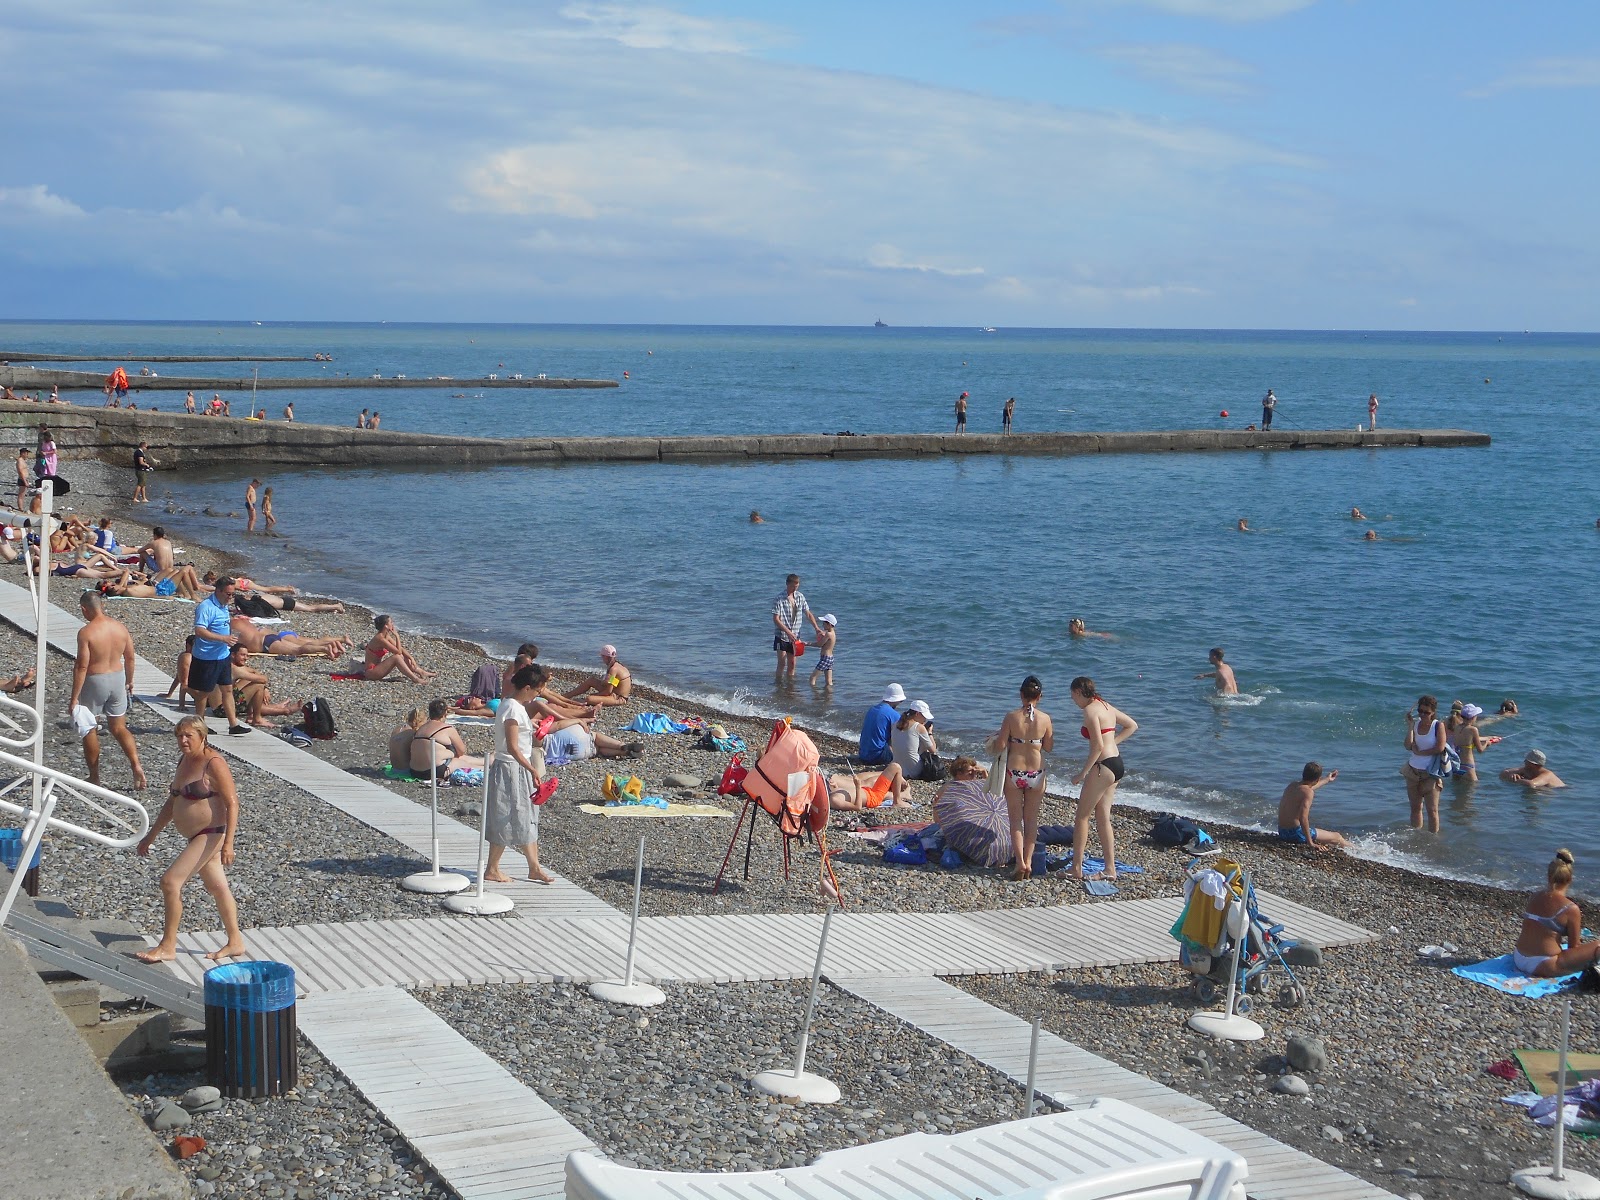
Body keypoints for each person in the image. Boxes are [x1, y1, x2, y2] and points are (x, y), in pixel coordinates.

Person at [133, 717, 246, 965]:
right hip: (196, 835)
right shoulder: (184, 760)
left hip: (211, 833)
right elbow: (172, 803)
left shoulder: (213, 762)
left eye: (188, 736)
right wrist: (151, 835)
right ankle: (235, 941)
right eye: (179, 736)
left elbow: (232, 803)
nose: (182, 740)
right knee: (218, 888)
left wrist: (229, 844)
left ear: (202, 736)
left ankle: (167, 945)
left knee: (170, 882)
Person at [69, 591, 147, 789]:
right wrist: (130, 681)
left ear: (84, 609)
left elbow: (82, 666)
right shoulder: (120, 627)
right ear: (101, 606)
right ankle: (136, 764)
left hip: (96, 679)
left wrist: (74, 697)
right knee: (119, 727)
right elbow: (130, 657)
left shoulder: (86, 632)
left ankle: (94, 776)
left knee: (89, 727)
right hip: (117, 678)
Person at [485, 665, 554, 883]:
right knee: (506, 815)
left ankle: (534, 867)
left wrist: (532, 725)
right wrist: (532, 768)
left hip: (517, 766)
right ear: (526, 688)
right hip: (510, 767)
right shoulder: (512, 709)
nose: (538, 694)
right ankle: (492, 869)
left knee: (527, 815)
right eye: (537, 690)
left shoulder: (513, 704)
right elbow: (513, 747)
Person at [1068, 676, 1136, 883]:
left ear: (1079, 692)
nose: (1073, 701)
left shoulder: (1089, 711)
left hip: (1103, 766)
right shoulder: (1105, 705)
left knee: (1082, 817)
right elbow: (1132, 725)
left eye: (1073, 697)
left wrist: (1082, 773)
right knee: (1102, 816)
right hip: (1116, 763)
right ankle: (1110, 869)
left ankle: (1076, 868)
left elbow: (1097, 746)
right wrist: (1113, 743)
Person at [993, 676, 1054, 881]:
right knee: (1031, 820)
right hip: (1036, 773)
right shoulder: (1045, 718)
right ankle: (1028, 861)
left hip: (1014, 772)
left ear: (1021, 694)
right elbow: (1048, 747)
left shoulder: (1011, 717)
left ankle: (1019, 862)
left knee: (1015, 820)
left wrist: (993, 742)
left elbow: (1000, 745)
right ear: (1040, 696)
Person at [1513, 850, 1600, 976]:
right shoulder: (1570, 908)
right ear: (1570, 879)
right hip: (1543, 964)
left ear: (1549, 876)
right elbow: (1573, 948)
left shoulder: (1534, 896)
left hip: (1519, 957)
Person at [190, 576, 250, 735]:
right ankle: (199, 724)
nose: (231, 597)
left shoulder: (224, 606)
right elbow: (199, 631)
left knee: (228, 689)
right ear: (218, 591)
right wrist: (223, 638)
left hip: (222, 655)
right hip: (206, 656)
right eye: (228, 594)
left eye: (232, 594)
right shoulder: (206, 607)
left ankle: (233, 725)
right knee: (204, 693)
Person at [1277, 763, 1349, 849]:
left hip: (1282, 832)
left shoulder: (1292, 785)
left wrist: (1327, 779)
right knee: (1337, 837)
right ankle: (1359, 850)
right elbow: (1303, 818)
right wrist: (1310, 843)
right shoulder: (1308, 792)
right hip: (1295, 834)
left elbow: (1309, 787)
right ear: (1318, 779)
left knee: (1328, 840)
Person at [227, 645, 302, 728]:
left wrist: (265, 689)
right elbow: (263, 680)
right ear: (233, 655)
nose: (246, 658)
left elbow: (254, 672)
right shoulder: (234, 668)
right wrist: (263, 687)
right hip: (224, 709)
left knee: (253, 681)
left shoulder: (230, 665)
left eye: (247, 655)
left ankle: (274, 708)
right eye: (242, 655)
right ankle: (259, 718)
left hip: (225, 701)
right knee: (258, 685)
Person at [409, 699, 485, 778]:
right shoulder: (447, 728)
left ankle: (486, 761)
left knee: (455, 758)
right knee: (459, 762)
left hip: (414, 771)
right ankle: (486, 769)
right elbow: (461, 751)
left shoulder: (421, 729)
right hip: (434, 771)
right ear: (445, 713)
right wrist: (451, 752)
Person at [1402, 695, 1446, 831]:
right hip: (1413, 772)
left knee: (1432, 811)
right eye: (1420, 711)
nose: (1422, 715)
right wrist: (1410, 726)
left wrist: (1421, 752)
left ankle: (1433, 842)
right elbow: (1408, 745)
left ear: (1433, 712)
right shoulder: (1416, 724)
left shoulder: (1438, 726)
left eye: (1426, 712)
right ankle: (1416, 837)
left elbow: (1440, 747)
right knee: (1415, 808)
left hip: (1430, 774)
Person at [229, 614, 350, 659]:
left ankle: (325, 648)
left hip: (265, 643)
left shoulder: (229, 628)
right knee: (305, 643)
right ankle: (334, 642)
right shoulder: (240, 620)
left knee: (298, 650)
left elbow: (231, 644)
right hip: (268, 635)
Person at [771, 573, 820, 678]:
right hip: (782, 635)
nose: (795, 588)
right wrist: (788, 632)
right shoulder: (779, 599)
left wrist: (816, 628)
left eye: (797, 586)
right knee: (782, 663)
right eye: (793, 586)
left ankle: (790, 688)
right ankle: (778, 686)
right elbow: (776, 619)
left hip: (795, 635)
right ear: (787, 584)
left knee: (792, 664)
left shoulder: (800, 596)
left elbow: (808, 613)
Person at [363, 614, 436, 683]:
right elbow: (398, 652)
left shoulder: (385, 636)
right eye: (391, 622)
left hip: (378, 668)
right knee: (397, 657)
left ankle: (421, 672)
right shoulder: (380, 639)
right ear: (386, 626)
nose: (393, 624)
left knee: (401, 656)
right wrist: (397, 636)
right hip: (371, 672)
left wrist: (410, 657)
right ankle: (415, 679)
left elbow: (401, 649)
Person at [564, 645, 633, 710]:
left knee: (589, 698)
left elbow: (608, 692)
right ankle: (567, 695)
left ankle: (568, 698)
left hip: (619, 698)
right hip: (614, 692)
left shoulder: (613, 669)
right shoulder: (616, 665)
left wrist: (596, 695)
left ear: (605, 657)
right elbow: (615, 683)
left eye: (602, 657)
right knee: (591, 680)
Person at [825, 762, 911, 811]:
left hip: (869, 791)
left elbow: (845, 794)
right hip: (873, 798)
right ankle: (898, 801)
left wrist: (835, 786)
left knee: (894, 767)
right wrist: (858, 786)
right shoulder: (834, 800)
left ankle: (902, 794)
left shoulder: (831, 795)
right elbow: (857, 807)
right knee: (896, 767)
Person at [890, 700, 938, 780]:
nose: (925, 719)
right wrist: (929, 733)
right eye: (924, 716)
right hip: (914, 770)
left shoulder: (896, 724)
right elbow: (933, 750)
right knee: (925, 743)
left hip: (897, 766)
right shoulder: (918, 727)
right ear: (917, 714)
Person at [858, 683, 904, 764]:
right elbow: (900, 737)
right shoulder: (893, 714)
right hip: (877, 757)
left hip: (863, 754)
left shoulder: (872, 709)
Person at [165, 636, 196, 711]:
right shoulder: (189, 656)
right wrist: (181, 704)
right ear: (189, 646)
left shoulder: (187, 656)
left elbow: (180, 679)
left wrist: (169, 694)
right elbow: (182, 680)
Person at [809, 614, 837, 688]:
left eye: (824, 623)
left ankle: (815, 697)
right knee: (829, 682)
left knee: (812, 678)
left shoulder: (828, 634)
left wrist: (807, 644)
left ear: (829, 624)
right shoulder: (833, 633)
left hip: (825, 659)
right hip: (830, 659)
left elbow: (819, 644)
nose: (823, 624)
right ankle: (828, 698)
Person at [14, 446, 29, 511]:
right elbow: (20, 472)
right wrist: (25, 481)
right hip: (22, 479)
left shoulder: (22, 460)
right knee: (21, 495)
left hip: (24, 478)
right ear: (23, 453)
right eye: (26, 453)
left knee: (23, 494)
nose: (27, 455)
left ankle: (21, 507)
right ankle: (20, 508)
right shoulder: (20, 461)